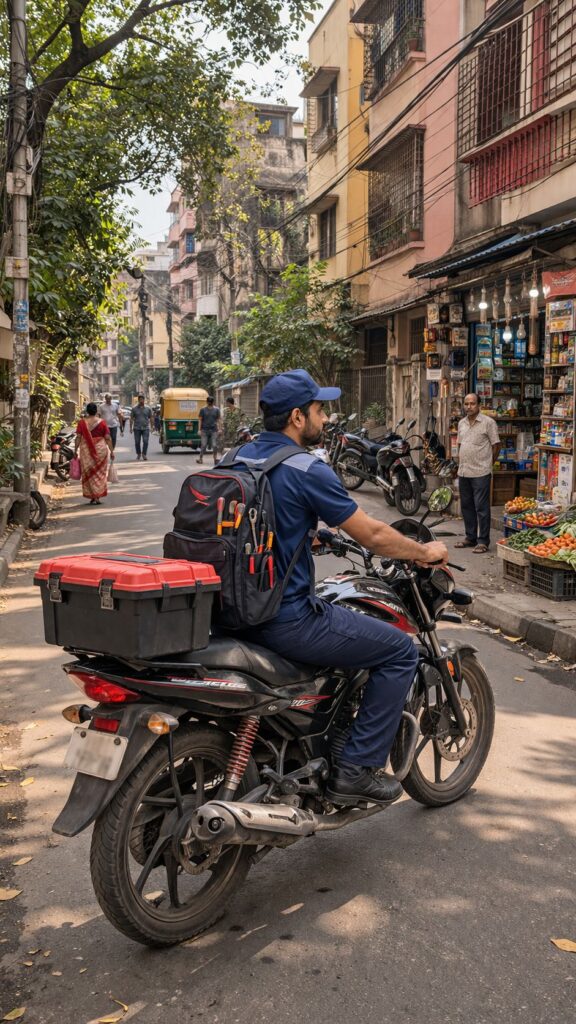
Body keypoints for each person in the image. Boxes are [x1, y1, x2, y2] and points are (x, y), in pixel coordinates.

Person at [235, 369, 448, 806]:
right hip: (283, 619)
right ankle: (355, 770)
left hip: (229, 612)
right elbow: (371, 533)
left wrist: (303, 533)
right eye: (318, 410)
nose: (326, 418)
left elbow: (250, 526)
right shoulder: (305, 467)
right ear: (297, 417)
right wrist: (423, 553)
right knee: (399, 651)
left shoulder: (237, 458)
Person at [456, 393, 500, 553]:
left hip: (481, 472)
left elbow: (497, 445)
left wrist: (488, 463)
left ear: (479, 405)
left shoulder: (488, 423)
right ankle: (470, 537)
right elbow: (460, 445)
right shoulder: (461, 423)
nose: (469, 407)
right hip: (464, 471)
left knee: (481, 507)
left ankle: (483, 541)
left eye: (472, 403)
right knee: (467, 506)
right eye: (466, 404)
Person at [74, 401, 114, 505]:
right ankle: (97, 495)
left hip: (86, 450)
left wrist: (75, 450)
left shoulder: (82, 423)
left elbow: (78, 437)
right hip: (100, 450)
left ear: (87, 411)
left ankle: (93, 495)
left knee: (88, 473)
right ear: (96, 411)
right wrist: (111, 451)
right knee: (99, 473)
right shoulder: (102, 422)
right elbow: (108, 438)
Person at [197, 396, 222, 465]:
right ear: (207, 402)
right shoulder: (203, 409)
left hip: (214, 430)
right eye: (208, 402)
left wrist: (220, 429)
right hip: (204, 430)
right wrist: (199, 430)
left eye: (211, 402)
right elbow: (200, 420)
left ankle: (215, 458)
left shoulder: (217, 410)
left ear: (213, 402)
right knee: (204, 445)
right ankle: (200, 458)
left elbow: (219, 420)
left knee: (214, 445)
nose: (209, 403)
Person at [130, 394, 153, 461]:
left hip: (145, 428)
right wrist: (130, 428)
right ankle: (138, 453)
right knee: (137, 442)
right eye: (140, 400)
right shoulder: (134, 408)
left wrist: (152, 427)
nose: (141, 401)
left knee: (145, 441)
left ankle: (144, 454)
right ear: (138, 400)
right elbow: (131, 418)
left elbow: (151, 417)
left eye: (142, 399)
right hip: (137, 428)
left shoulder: (148, 408)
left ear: (144, 400)